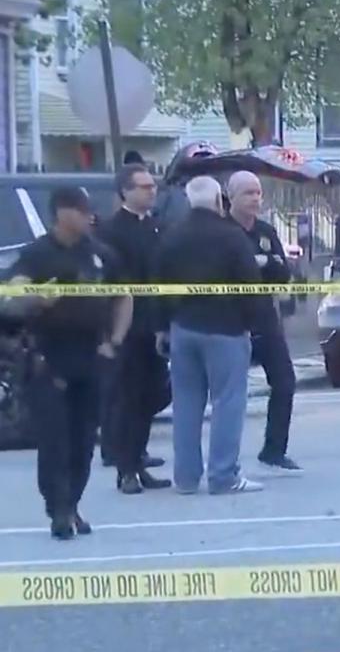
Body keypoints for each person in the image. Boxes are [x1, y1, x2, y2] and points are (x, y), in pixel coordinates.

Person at [5, 187, 131, 538]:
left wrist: (114, 341)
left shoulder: (101, 254)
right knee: (54, 440)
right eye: (81, 209)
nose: (89, 216)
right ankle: (58, 509)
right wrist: (34, 299)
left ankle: (73, 503)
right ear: (61, 213)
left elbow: (124, 296)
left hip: (91, 356)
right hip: (48, 358)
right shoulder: (37, 255)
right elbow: (11, 295)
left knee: (83, 440)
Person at [154, 176, 264, 495]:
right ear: (219, 201)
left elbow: (157, 283)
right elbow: (251, 285)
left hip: (183, 328)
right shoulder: (231, 236)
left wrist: (162, 327)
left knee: (186, 404)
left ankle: (186, 478)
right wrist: (253, 323)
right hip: (226, 329)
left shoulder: (172, 236)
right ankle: (223, 475)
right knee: (227, 402)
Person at [96, 164, 172, 494]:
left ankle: (139, 459)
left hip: (154, 324)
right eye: (144, 186)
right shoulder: (110, 231)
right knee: (128, 398)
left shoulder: (158, 228)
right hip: (126, 326)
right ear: (125, 191)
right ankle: (125, 468)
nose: (151, 191)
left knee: (153, 395)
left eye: (153, 186)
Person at [226, 170, 302, 474]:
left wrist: (265, 262)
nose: (255, 199)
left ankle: (274, 450)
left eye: (258, 192)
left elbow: (282, 273)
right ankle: (224, 459)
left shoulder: (265, 232)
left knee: (285, 382)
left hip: (265, 317)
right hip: (231, 319)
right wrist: (258, 265)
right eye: (248, 193)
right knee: (229, 391)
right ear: (231, 196)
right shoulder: (224, 231)